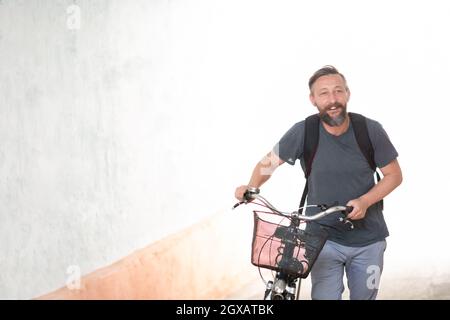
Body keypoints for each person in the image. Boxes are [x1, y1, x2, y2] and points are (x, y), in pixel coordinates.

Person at [234, 65, 402, 300]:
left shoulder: (369, 130)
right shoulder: (305, 131)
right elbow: (269, 163)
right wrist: (251, 187)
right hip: (322, 241)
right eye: (324, 93)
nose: (332, 99)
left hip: (368, 241)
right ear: (313, 99)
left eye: (338, 91)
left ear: (348, 94)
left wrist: (365, 201)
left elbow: (394, 175)